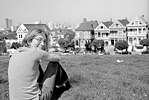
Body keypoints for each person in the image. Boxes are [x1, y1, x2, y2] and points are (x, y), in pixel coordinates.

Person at [8, 28, 71, 100]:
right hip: (37, 98)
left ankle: (59, 85)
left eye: (44, 41)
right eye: (39, 40)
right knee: (54, 64)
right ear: (29, 41)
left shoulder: (16, 53)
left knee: (36, 66)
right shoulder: (36, 52)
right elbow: (58, 58)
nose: (43, 44)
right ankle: (65, 83)